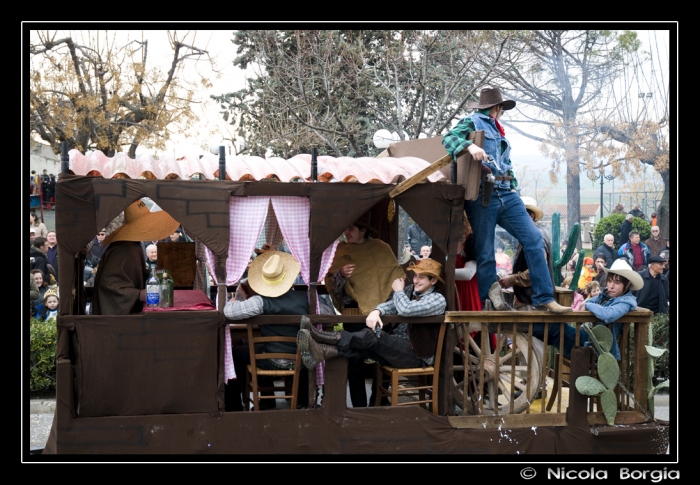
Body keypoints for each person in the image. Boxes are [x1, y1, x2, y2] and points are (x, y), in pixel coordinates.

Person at [442, 87, 570, 313]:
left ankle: (544, 297)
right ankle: (491, 304)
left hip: (507, 193)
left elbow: (507, 165)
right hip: (483, 195)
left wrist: (512, 185)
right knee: (485, 252)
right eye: (502, 108)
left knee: (534, 238)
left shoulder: (500, 132)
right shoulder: (473, 121)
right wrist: (469, 146)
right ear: (498, 108)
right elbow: (448, 139)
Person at [298, 258, 447, 373]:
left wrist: (398, 291)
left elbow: (405, 309)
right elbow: (390, 305)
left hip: (417, 356)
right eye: (415, 276)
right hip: (399, 347)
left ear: (433, 280)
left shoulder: (437, 299)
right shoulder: (410, 292)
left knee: (372, 336)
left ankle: (320, 336)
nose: (415, 280)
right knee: (361, 348)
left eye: (421, 277)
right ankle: (321, 351)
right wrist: (377, 311)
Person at [324, 212, 406, 408]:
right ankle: (359, 405)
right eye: (346, 228)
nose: (346, 232)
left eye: (351, 228)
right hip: (353, 314)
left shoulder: (381, 249)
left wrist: (386, 306)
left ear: (363, 230)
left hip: (379, 314)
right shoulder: (340, 251)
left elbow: (394, 274)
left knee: (383, 355)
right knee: (354, 360)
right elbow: (331, 283)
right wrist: (340, 275)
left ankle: (380, 401)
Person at [223, 251, 310, 411]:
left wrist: (237, 297)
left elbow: (229, 312)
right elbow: (325, 311)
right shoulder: (306, 300)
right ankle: (303, 401)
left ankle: (237, 406)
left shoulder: (260, 301)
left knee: (234, 354)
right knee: (307, 350)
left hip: (269, 359)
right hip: (301, 360)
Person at [92, 199, 180, 315]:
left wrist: (154, 273)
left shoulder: (134, 245)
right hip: (117, 320)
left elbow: (134, 273)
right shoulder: (122, 248)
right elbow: (108, 284)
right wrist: (139, 295)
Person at [585, 259, 643, 361]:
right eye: (609, 281)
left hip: (602, 347)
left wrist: (587, 304)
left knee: (556, 330)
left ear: (627, 284)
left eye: (617, 282)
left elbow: (608, 315)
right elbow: (592, 302)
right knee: (555, 329)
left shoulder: (626, 301)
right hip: (590, 338)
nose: (611, 286)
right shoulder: (605, 294)